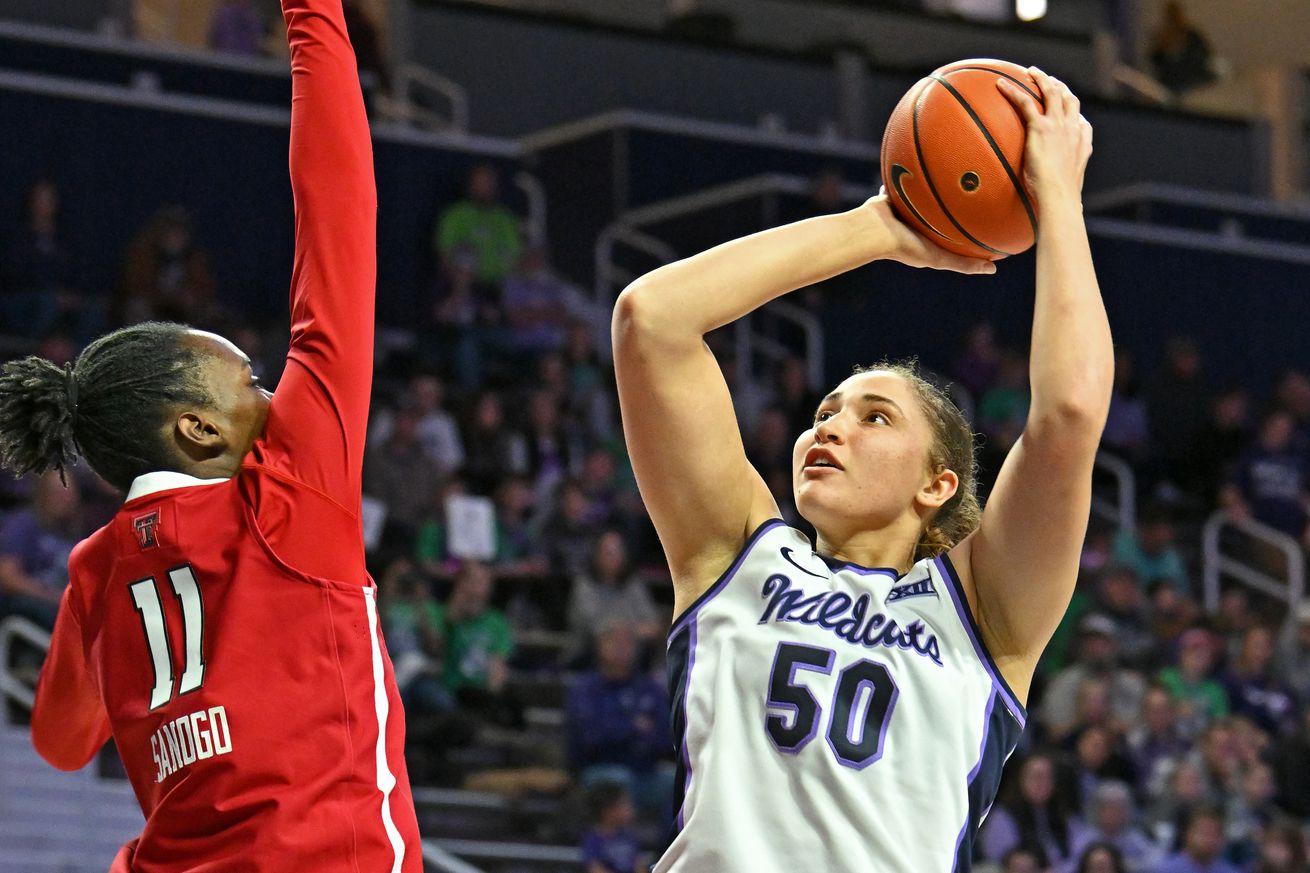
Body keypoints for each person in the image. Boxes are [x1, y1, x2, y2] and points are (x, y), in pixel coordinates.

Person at [613, 69, 1109, 872]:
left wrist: (1057, 200)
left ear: (938, 483)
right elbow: (652, 320)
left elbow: (1071, 416)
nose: (831, 428)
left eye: (874, 416)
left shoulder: (983, 610)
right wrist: (880, 225)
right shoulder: (734, 556)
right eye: (824, 414)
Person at [3, 2, 422, 868]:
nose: (274, 396)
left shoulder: (94, 570)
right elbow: (338, 215)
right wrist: (316, 15)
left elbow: (59, 740)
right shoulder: (288, 487)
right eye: (252, 383)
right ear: (196, 427)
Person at [566, 622, 673, 816]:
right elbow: (591, 738)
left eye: (628, 642)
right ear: (600, 646)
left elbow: (666, 736)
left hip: (645, 771)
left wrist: (636, 734)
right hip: (599, 769)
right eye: (615, 641)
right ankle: (618, 843)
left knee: (681, 781)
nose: (623, 648)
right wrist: (633, 728)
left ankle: (671, 844)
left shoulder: (648, 688)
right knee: (620, 781)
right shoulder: (586, 689)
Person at [581, 781, 650, 873]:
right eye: (624, 805)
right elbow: (595, 868)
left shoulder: (629, 836)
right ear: (607, 811)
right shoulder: (593, 840)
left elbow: (639, 864)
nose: (630, 809)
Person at [1156, 806, 1240, 873]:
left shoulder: (1230, 871)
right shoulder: (1166, 870)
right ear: (1187, 834)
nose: (1209, 838)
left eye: (1215, 833)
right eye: (1203, 832)